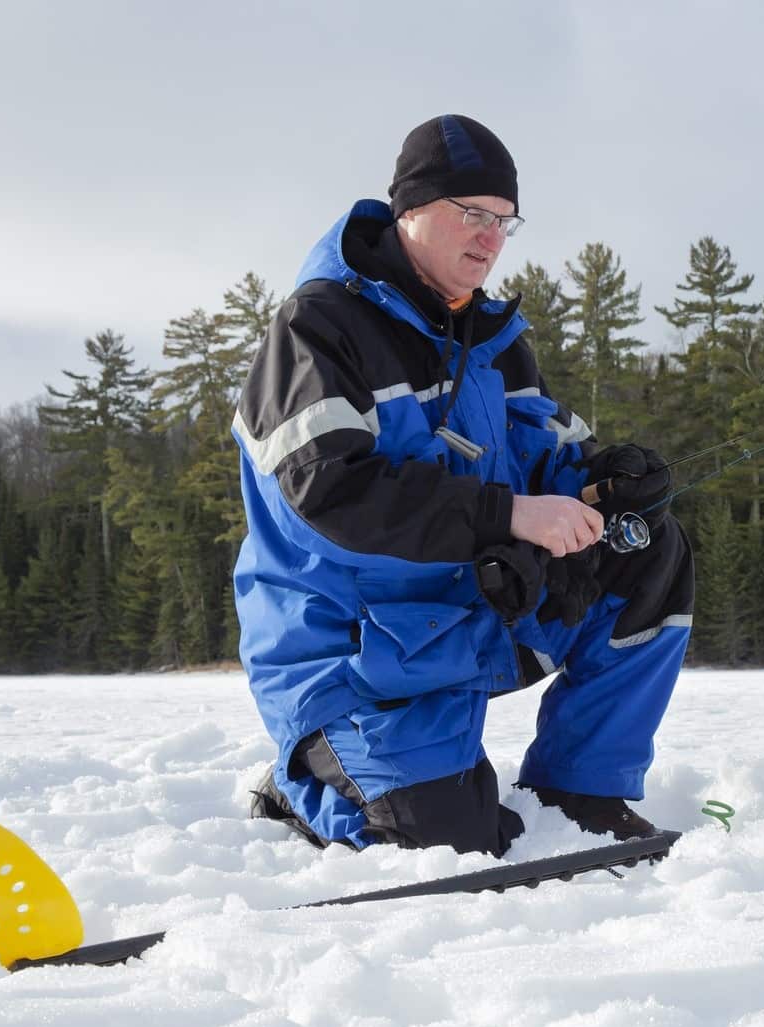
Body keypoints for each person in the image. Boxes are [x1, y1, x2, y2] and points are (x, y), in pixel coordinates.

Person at [233, 115, 694, 857]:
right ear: (409, 210)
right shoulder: (317, 329)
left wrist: (605, 483)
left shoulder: (493, 339)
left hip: (470, 615)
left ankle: (582, 789)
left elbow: (544, 459)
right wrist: (504, 517)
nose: (491, 239)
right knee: (448, 843)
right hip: (349, 654)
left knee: (647, 550)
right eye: (472, 215)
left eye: (506, 222)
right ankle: (304, 782)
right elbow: (333, 493)